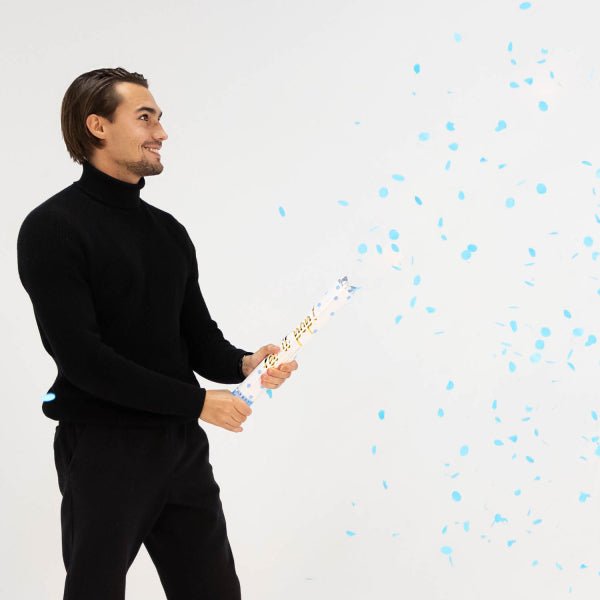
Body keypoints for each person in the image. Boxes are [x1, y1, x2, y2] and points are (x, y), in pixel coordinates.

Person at [16, 67, 298, 600]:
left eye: (159, 118)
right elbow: (84, 360)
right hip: (104, 446)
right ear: (97, 126)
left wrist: (246, 364)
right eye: (145, 118)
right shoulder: (52, 227)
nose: (161, 132)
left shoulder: (168, 232)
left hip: (180, 446)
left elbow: (197, 338)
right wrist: (198, 402)